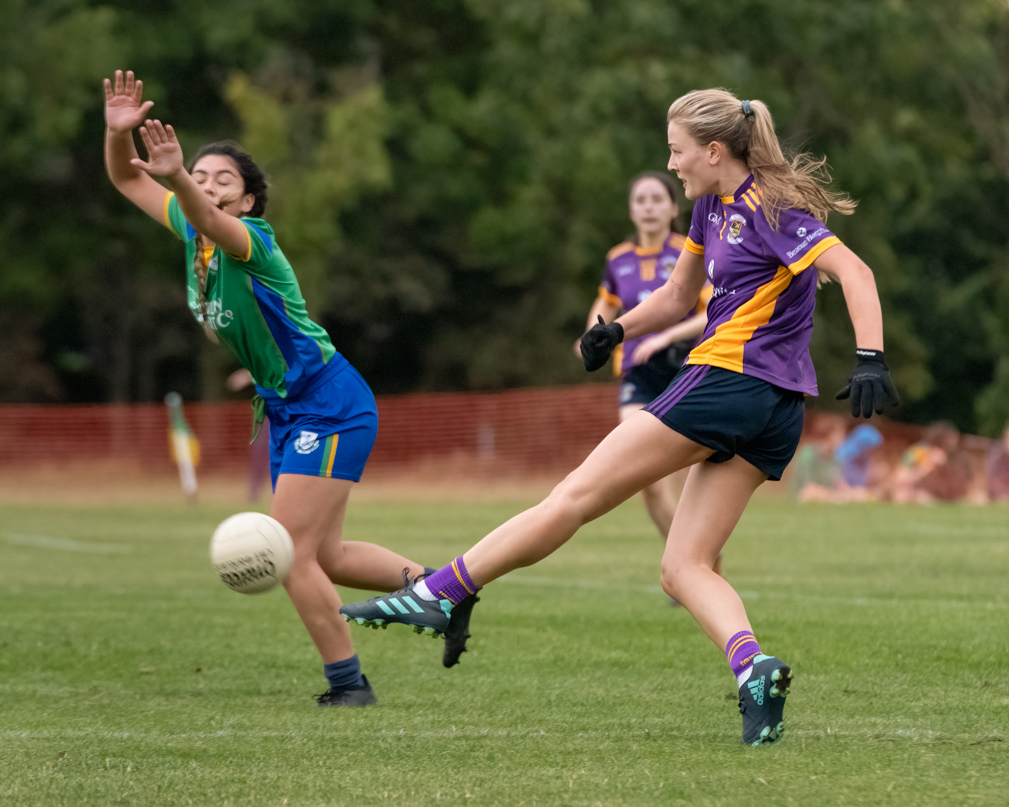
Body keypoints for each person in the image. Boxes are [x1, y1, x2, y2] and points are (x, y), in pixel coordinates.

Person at [340, 88, 899, 746]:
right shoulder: (707, 207)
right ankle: (753, 667)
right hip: (774, 408)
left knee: (573, 496)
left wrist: (870, 358)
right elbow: (678, 295)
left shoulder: (770, 207)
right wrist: (616, 329)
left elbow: (854, 270)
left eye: (676, 150)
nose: (670, 164)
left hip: (725, 383)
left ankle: (441, 591)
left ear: (713, 151)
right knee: (684, 564)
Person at [103, 70, 476, 707]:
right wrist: (118, 137)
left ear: (248, 202)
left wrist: (180, 179)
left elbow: (203, 215)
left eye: (225, 180)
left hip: (329, 403)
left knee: (290, 553)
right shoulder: (196, 238)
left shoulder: (252, 242)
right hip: (292, 410)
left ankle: (348, 686)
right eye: (203, 173)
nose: (208, 183)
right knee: (326, 555)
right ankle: (441, 589)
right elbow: (124, 177)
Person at [577, 171, 720, 598]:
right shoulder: (618, 258)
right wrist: (592, 336)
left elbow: (709, 309)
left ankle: (695, 563)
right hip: (637, 375)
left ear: (673, 208)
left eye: (657, 199)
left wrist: (663, 337)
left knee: (694, 476)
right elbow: (604, 303)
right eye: (640, 200)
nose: (649, 207)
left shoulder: (688, 249)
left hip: (687, 367)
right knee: (649, 482)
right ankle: (685, 565)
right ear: (631, 209)